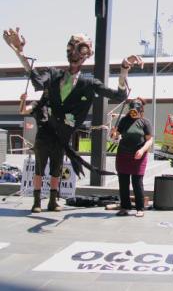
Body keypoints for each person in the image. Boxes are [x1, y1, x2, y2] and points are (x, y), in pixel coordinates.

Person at [3, 27, 143, 213]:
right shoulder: (54, 75)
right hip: (46, 130)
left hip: (62, 135)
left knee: (56, 168)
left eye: (81, 48)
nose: (75, 52)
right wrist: (21, 53)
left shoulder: (88, 84)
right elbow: (36, 78)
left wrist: (124, 70)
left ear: (88, 53)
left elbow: (119, 95)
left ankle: (53, 200)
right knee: (39, 166)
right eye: (71, 46)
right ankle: (37, 201)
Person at [110, 97, 153, 217]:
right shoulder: (124, 120)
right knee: (123, 182)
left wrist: (142, 150)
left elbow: (150, 140)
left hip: (139, 155)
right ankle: (125, 207)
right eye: (132, 110)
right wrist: (113, 133)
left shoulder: (145, 122)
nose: (133, 112)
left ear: (140, 110)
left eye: (136, 110)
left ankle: (140, 208)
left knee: (137, 182)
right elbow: (115, 137)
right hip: (123, 154)